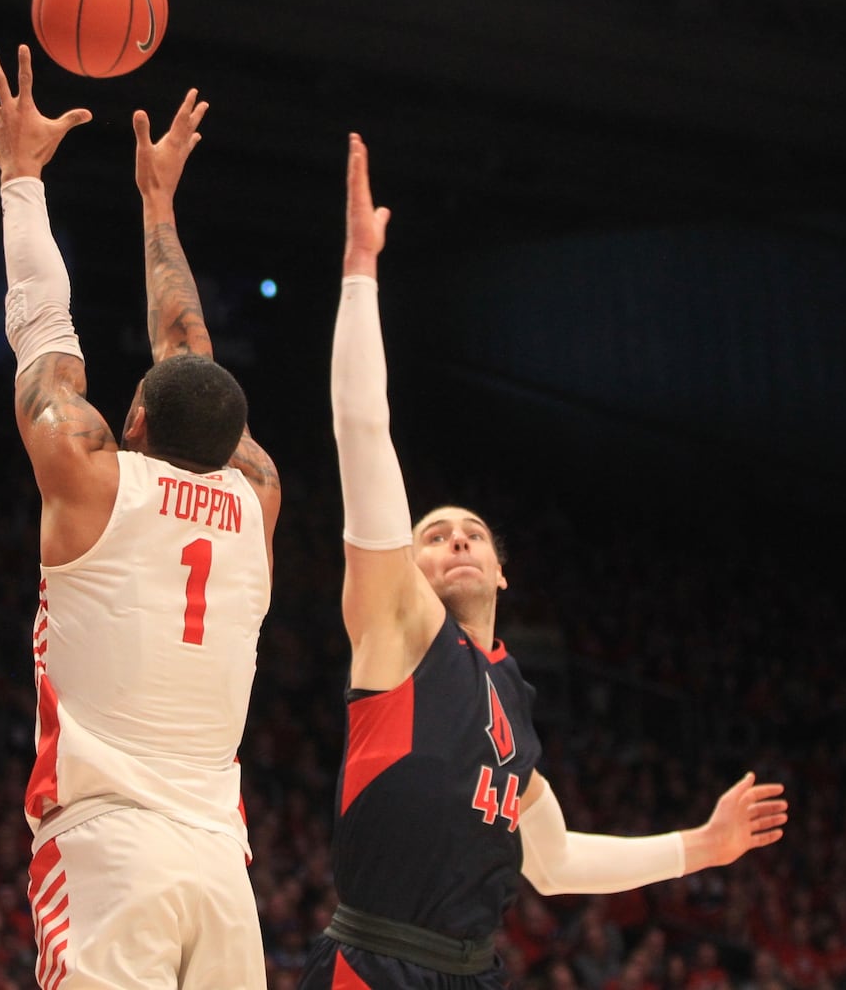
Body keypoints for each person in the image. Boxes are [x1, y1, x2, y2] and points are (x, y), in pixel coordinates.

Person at [299, 134, 790, 989]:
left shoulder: (510, 701)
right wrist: (358, 273)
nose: (454, 538)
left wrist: (702, 847)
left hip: (476, 970)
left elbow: (556, 863)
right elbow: (362, 432)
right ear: (405, 567)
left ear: (501, 573)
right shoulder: (399, 629)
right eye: (434, 531)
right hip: (377, 963)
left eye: (472, 533)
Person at [0, 44, 281, 989]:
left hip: (109, 846)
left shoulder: (92, 477)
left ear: (131, 419)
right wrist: (159, 206)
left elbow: (44, 332)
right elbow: (191, 353)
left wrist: (22, 177)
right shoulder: (256, 497)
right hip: (222, 862)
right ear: (232, 440)